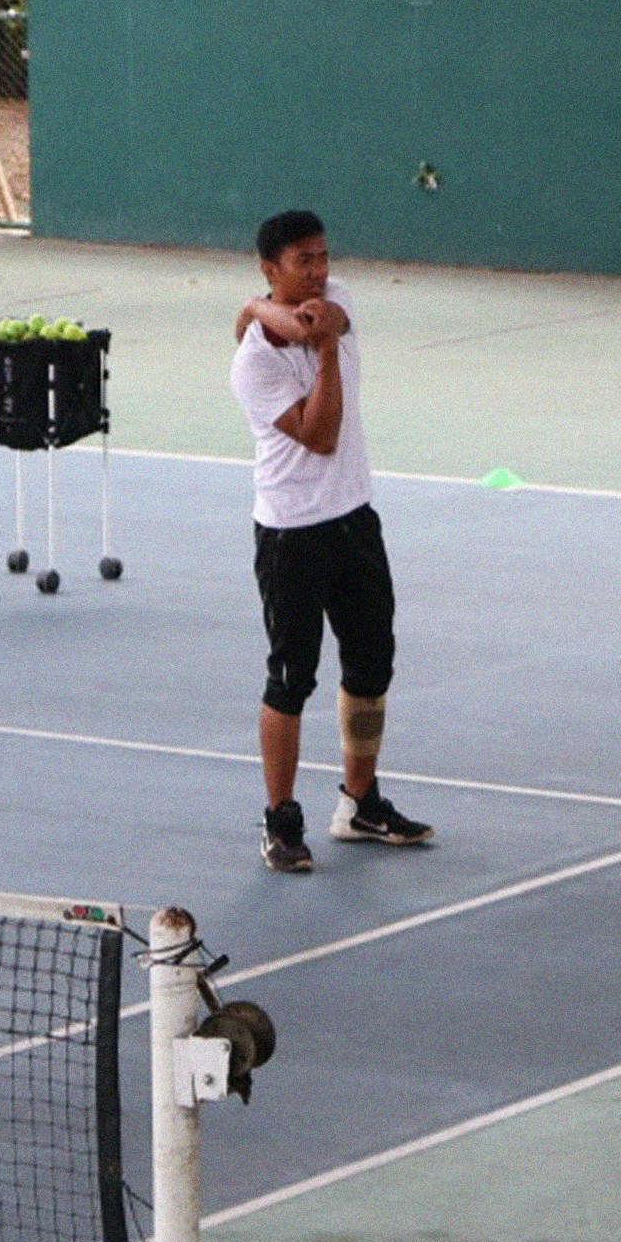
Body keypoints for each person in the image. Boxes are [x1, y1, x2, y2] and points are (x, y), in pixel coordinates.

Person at [231, 210, 432, 873]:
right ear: (271, 267)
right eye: (303, 261)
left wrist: (277, 313)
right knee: (292, 676)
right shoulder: (254, 363)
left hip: (353, 518)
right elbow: (320, 434)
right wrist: (319, 351)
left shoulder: (337, 299)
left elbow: (306, 316)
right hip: (291, 532)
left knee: (372, 663)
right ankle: (281, 820)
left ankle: (360, 800)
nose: (319, 271)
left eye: (322, 257)